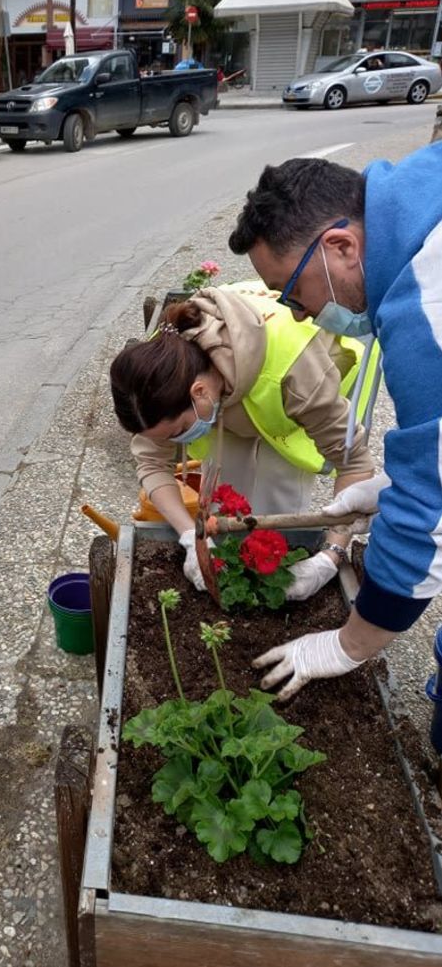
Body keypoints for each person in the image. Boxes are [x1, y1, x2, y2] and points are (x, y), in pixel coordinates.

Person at [227, 147, 442, 699]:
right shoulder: (417, 190)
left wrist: (348, 644)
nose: (296, 314)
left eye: (294, 292)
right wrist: (389, 487)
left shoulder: (425, 307)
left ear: (340, 246)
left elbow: (428, 513)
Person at [109, 281, 376, 600]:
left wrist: (331, 558)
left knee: (278, 488)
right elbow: (152, 462)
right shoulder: (159, 367)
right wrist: (190, 539)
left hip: (308, 378)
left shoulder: (298, 376)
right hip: (233, 378)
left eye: (177, 431)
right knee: (225, 491)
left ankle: (273, 571)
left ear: (198, 393)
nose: (175, 441)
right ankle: (234, 561)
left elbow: (355, 465)